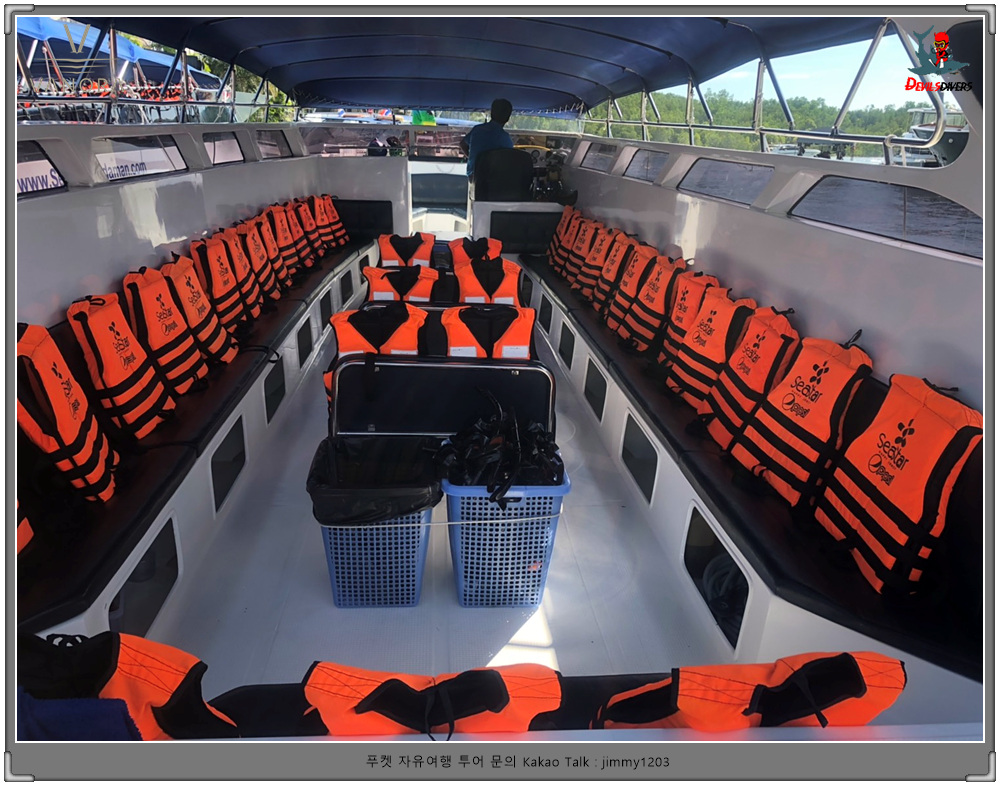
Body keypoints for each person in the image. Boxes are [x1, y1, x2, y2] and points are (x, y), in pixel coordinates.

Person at [460, 98, 514, 180]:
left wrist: (471, 158)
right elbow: (507, 161)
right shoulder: (506, 139)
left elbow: (462, 144)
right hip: (493, 178)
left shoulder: (477, 130)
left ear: (491, 113)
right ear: (508, 118)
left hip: (474, 175)